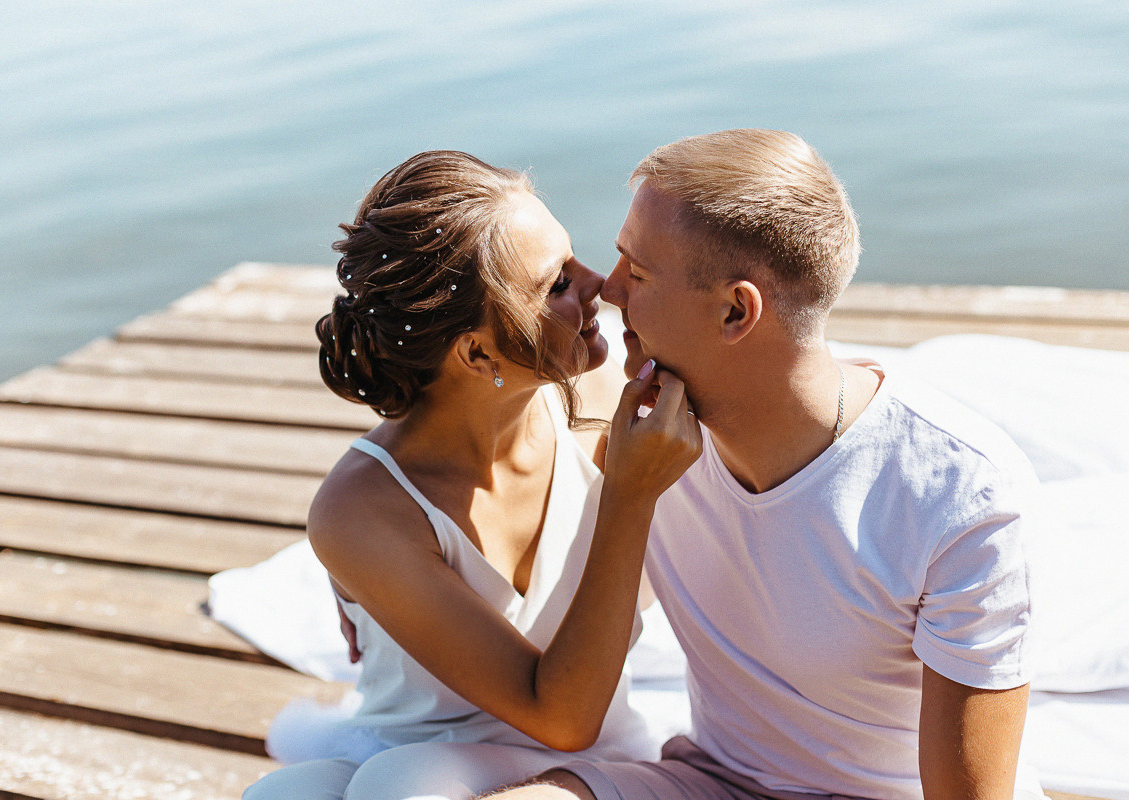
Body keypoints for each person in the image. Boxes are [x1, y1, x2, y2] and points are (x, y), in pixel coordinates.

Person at [485, 129, 1038, 800]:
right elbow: (561, 690)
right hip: (710, 782)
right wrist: (363, 582)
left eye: (639, 269)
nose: (610, 291)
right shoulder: (646, 445)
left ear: (735, 310)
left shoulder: (958, 494)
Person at [241, 150, 701, 800]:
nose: (599, 283)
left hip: (591, 750)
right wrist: (628, 496)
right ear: (477, 350)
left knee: (399, 791)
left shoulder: (608, 400)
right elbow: (554, 711)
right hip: (417, 749)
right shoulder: (366, 509)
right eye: (558, 284)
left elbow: (572, 726)